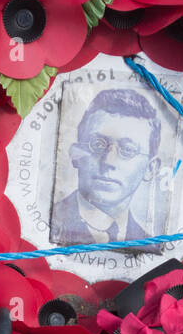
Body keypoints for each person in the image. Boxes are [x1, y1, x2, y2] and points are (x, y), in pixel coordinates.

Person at [51, 86, 163, 246]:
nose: (108, 161)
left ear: (151, 168)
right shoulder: (49, 221)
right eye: (97, 144)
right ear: (75, 154)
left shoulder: (148, 242)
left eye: (128, 150)